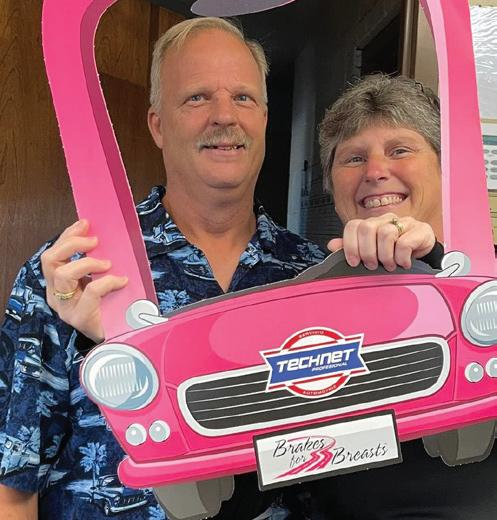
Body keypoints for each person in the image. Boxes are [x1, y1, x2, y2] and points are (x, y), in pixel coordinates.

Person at [0, 18, 438, 520]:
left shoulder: (315, 275)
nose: (225, 116)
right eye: (197, 98)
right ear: (157, 125)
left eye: (243, 98)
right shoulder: (74, 275)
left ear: (264, 119)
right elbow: (13, 486)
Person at [312, 73, 497, 520]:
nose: (375, 171)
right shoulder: (308, 307)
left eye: (400, 150)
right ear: (332, 188)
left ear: (446, 167)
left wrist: (436, 259)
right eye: (354, 157)